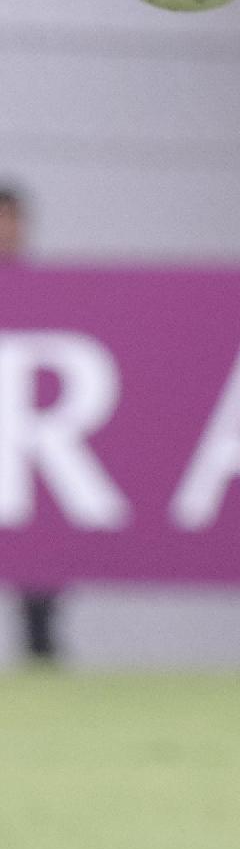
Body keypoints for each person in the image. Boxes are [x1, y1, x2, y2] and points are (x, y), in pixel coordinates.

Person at [0, 185, 62, 664]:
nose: (10, 230)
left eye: (16, 219)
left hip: (27, 448)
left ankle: (42, 655)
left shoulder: (44, 291)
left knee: (41, 561)